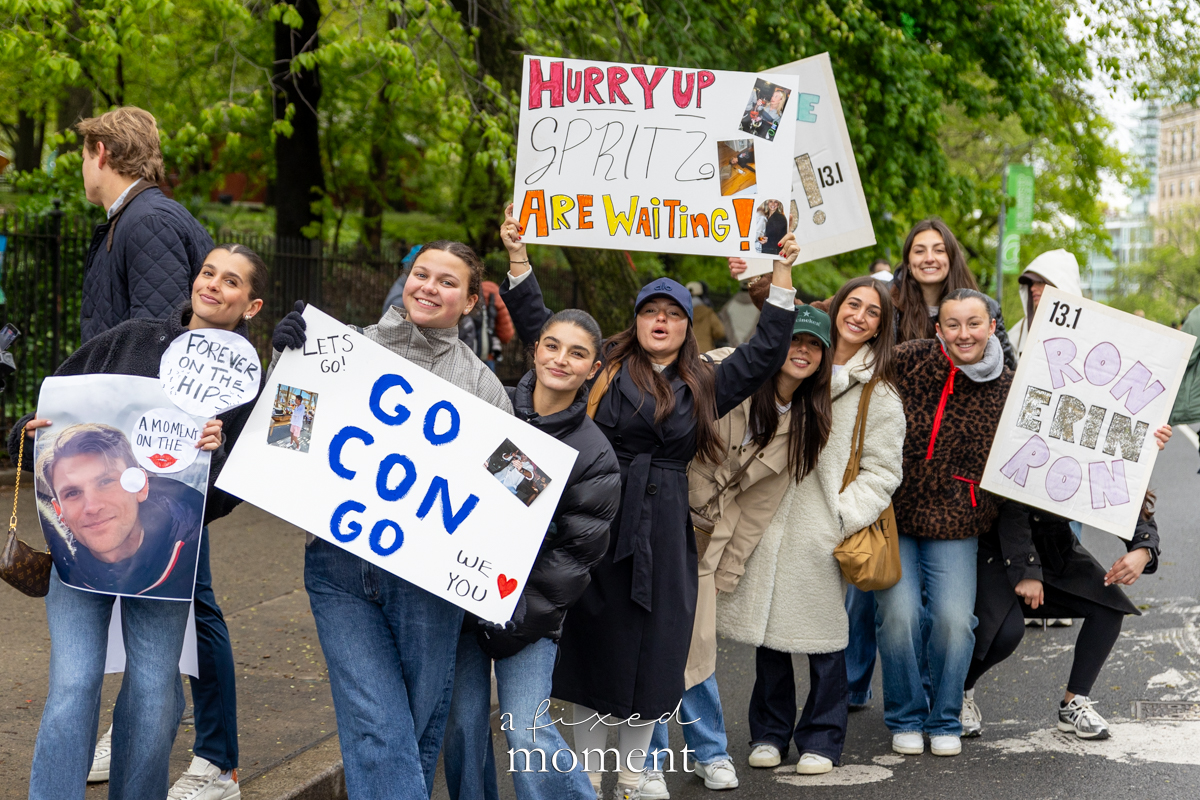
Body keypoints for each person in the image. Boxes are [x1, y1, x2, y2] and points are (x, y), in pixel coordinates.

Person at [500, 204, 800, 800]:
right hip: (598, 516)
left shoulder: (707, 382)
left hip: (666, 529)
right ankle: (586, 772)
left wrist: (782, 275)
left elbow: (767, 349)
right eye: (650, 312)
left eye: (672, 314)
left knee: (657, 650)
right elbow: (543, 330)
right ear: (636, 322)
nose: (660, 321)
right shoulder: (603, 366)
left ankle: (636, 772)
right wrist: (518, 259)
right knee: (593, 647)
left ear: (688, 326)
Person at [10, 242, 267, 800]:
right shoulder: (133, 337)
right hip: (78, 553)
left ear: (251, 305)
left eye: (230, 281)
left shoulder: (245, 386)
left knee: (153, 691)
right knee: (75, 684)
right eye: (207, 272)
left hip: (164, 560)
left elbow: (230, 493)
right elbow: (55, 400)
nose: (212, 285)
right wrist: (28, 432)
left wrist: (211, 460)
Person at [271, 239, 511, 800]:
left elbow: (516, 488)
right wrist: (287, 367)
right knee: (378, 723)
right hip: (339, 566)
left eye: (447, 281)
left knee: (414, 726)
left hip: (427, 580)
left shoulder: (481, 385)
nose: (429, 287)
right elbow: (288, 436)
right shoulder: (342, 350)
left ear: (471, 301)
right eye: (420, 274)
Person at [639, 302, 834, 798]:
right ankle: (649, 761)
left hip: (709, 538)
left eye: (813, 345)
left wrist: (730, 568)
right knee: (652, 646)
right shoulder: (727, 376)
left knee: (695, 649)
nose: (801, 351)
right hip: (660, 515)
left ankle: (711, 753)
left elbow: (758, 506)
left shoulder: (807, 420)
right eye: (794, 340)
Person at [716, 276, 905, 778]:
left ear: (880, 329)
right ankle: (770, 731)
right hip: (767, 517)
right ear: (836, 306)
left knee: (825, 636)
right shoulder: (797, 356)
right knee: (768, 630)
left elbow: (884, 472)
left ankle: (823, 735)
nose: (859, 316)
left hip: (823, 528)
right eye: (853, 304)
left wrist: (839, 518)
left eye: (873, 313)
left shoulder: (877, 392)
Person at [443, 309, 622, 800]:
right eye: (552, 345)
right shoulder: (490, 409)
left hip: (528, 614)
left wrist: (514, 620)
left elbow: (575, 558)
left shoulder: (594, 452)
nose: (561, 359)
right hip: (459, 596)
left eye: (577, 353)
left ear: (593, 368)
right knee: (461, 728)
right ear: (535, 349)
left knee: (524, 729)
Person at [877, 288, 1014, 758]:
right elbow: (845, 374)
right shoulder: (909, 359)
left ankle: (945, 715)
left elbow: (1063, 441)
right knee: (899, 617)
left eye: (974, 323)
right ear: (938, 330)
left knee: (955, 621)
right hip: (894, 513)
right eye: (953, 324)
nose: (964, 334)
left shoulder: (1011, 387)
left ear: (991, 326)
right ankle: (906, 715)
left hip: (959, 520)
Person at [963, 480, 1167, 741]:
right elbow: (1010, 502)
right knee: (1006, 632)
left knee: (1108, 607)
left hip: (1055, 547)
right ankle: (959, 691)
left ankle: (1074, 704)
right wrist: (1027, 569)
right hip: (999, 546)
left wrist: (1143, 547)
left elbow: (1117, 476)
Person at [77, 107, 214, 343]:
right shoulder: (138, 217)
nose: (83, 168)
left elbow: (155, 344)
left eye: (84, 158)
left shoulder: (149, 223)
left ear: (100, 153)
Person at [34, 423, 204, 598]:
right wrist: (22, 436)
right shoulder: (61, 562)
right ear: (58, 510)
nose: (92, 507)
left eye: (106, 482)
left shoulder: (189, 534)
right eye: (73, 493)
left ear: (140, 486)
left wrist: (215, 451)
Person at [889, 219, 1016, 369]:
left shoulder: (988, 308)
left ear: (951, 258)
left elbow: (1008, 372)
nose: (929, 258)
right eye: (919, 251)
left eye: (939, 250)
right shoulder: (886, 306)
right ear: (908, 261)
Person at [1011, 249, 1082, 360]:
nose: (1032, 288)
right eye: (1032, 283)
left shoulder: (1086, 330)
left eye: (1039, 282)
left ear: (1059, 285)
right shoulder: (1020, 329)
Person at [686, 281, 727, 352]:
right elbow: (720, 331)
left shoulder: (681, 313)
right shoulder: (708, 312)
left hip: (686, 351)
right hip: (706, 352)